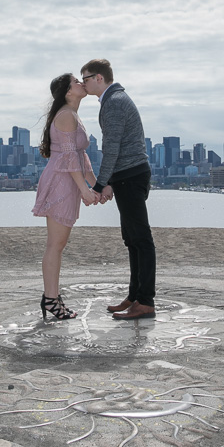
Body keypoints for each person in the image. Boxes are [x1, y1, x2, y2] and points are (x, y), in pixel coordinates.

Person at [80, 58, 157, 319]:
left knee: (141, 240)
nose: (83, 83)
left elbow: (111, 148)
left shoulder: (113, 103)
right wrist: (109, 181)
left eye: (86, 78)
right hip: (128, 174)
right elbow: (116, 148)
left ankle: (145, 301)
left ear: (99, 78)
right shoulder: (114, 99)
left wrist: (101, 184)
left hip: (131, 175)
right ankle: (135, 296)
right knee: (132, 240)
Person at [32, 73, 99, 320]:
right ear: (68, 92)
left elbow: (81, 158)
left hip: (67, 179)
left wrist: (98, 185)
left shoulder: (71, 115)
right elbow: (71, 159)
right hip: (62, 183)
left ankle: (52, 297)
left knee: (57, 245)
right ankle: (51, 299)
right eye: (76, 82)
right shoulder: (66, 115)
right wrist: (85, 190)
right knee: (55, 245)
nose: (82, 83)